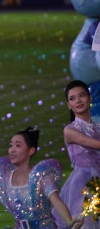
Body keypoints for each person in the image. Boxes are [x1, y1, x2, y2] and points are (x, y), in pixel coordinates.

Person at [0, 127, 83, 229]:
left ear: (31, 150)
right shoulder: (5, 178)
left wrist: (69, 221)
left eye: (18, 145)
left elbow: (56, 201)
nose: (12, 150)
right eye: (11, 145)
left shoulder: (41, 177)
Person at [54, 80, 100, 228]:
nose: (78, 101)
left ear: (90, 98)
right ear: (68, 105)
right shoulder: (70, 130)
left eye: (82, 95)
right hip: (84, 184)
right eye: (72, 98)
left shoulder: (98, 127)